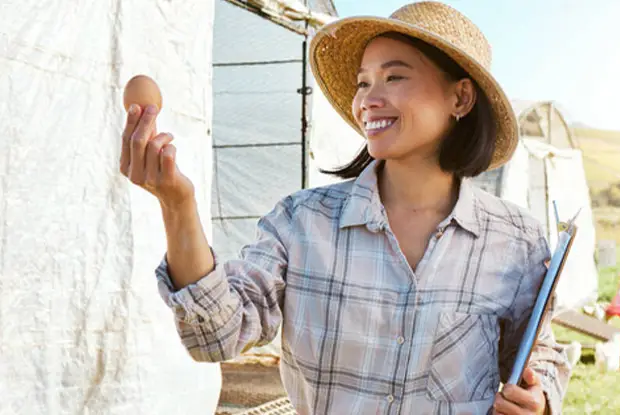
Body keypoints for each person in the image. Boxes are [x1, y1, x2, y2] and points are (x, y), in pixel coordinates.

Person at [118, 1, 570, 414]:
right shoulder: (302, 222)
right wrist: (178, 204)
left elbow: (538, 352)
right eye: (362, 82)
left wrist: (539, 396)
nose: (367, 100)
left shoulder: (515, 240)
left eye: (394, 77)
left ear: (460, 98)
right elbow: (215, 335)